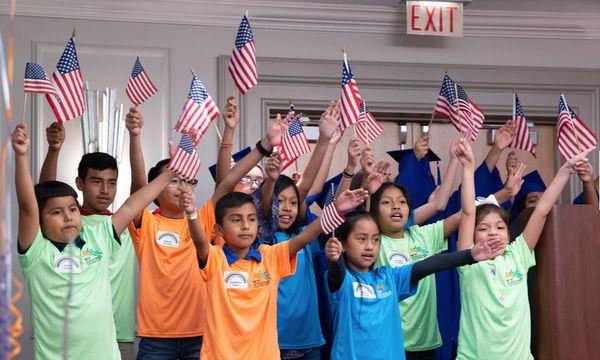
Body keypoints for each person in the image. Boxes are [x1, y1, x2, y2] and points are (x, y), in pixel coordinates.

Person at [125, 105, 290, 358]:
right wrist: (135, 137)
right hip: (156, 338)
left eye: (187, 180)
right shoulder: (147, 224)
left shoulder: (201, 219)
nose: (182, 186)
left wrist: (264, 145)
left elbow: (228, 181)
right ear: (156, 189)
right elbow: (138, 189)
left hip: (200, 333)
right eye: (173, 180)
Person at [12, 123, 175, 359]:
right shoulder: (38, 252)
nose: (68, 216)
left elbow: (134, 202)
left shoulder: (100, 236)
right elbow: (31, 204)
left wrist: (170, 174)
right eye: (57, 213)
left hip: (114, 342)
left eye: (71, 210)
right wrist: (21, 156)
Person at [181, 175, 368, 359]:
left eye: (252, 219)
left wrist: (335, 209)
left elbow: (306, 236)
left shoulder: (269, 256)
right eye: (236, 220)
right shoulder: (216, 259)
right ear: (219, 230)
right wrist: (191, 213)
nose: (246, 226)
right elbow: (200, 241)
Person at [455, 138, 594, 359]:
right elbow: (468, 212)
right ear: (473, 235)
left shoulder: (518, 254)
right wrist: (468, 167)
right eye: (483, 228)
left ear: (509, 234)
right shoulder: (468, 261)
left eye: (500, 227)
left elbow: (541, 210)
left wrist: (566, 170)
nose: (493, 232)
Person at [323, 208, 502, 360]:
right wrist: (334, 259)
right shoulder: (343, 280)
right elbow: (336, 272)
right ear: (343, 244)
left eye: (376, 239)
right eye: (361, 239)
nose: (370, 246)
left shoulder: (389, 277)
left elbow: (426, 265)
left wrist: (469, 256)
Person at [38, 122, 136, 358]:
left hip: (120, 333)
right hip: (77, 337)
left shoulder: (126, 221)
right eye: (96, 181)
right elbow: (43, 195)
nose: (105, 190)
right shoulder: (67, 224)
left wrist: (135, 136)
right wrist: (53, 150)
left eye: (111, 182)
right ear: (80, 183)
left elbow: (141, 189)